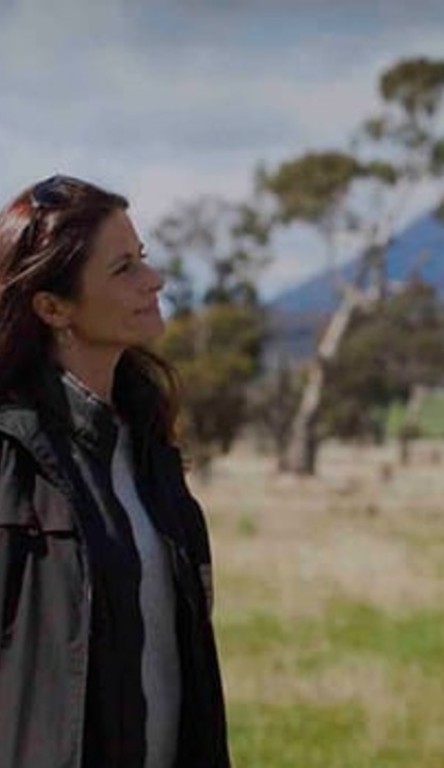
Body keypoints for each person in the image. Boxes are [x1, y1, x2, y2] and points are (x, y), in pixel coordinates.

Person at [0, 175, 230, 767]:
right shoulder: (9, 458)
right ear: (52, 308)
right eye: (123, 268)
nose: (153, 281)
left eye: (143, 258)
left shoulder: (149, 447)